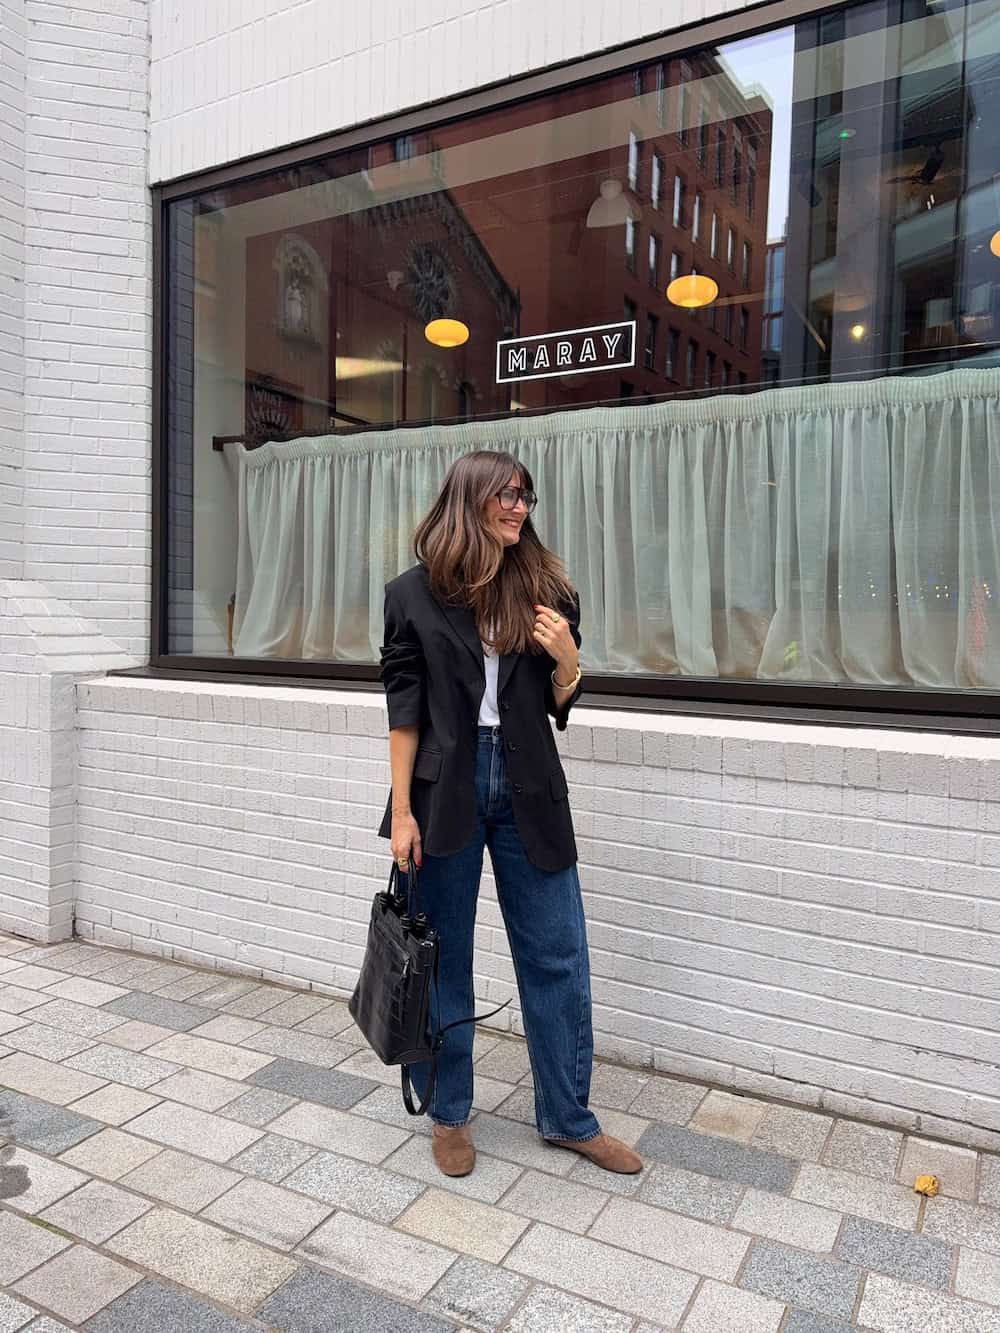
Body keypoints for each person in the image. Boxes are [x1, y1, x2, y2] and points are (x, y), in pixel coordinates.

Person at [378, 448, 642, 1179]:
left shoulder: (549, 587)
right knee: (445, 958)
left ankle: (568, 1118)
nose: (519, 507)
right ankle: (451, 1114)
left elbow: (560, 702)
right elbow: (403, 712)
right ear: (470, 499)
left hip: (530, 788)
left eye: (525, 495)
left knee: (558, 954)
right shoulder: (413, 595)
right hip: (445, 789)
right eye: (506, 495)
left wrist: (567, 661)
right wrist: (403, 812)